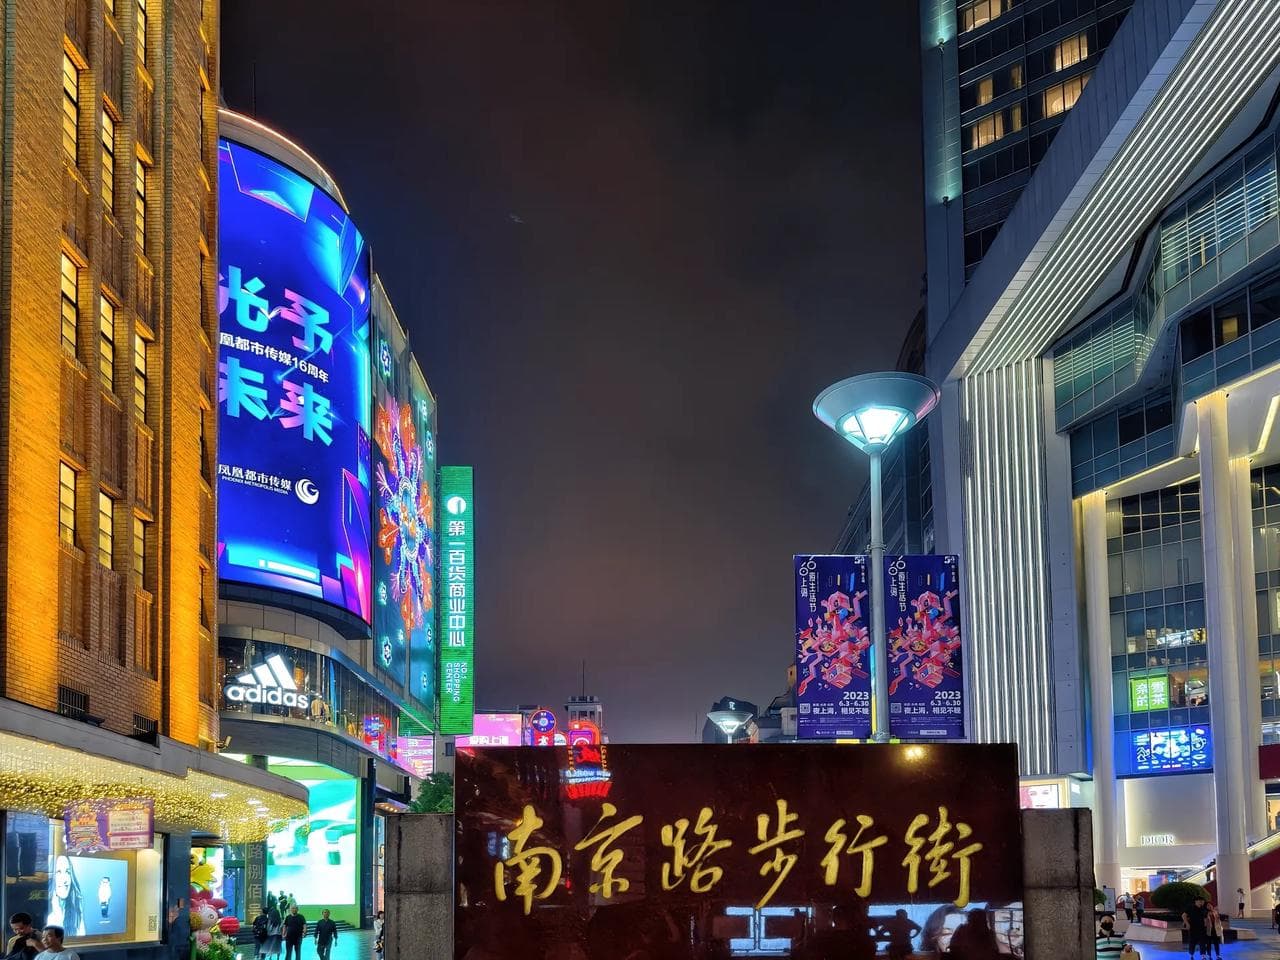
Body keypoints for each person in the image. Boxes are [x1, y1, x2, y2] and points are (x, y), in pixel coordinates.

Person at [45, 858, 84, 939]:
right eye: (58, 872)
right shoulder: (45, 912)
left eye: (67, 872)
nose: (65, 879)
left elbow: (82, 940)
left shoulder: (76, 909)